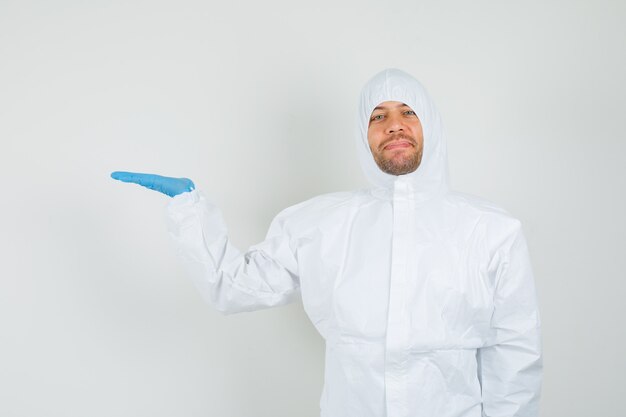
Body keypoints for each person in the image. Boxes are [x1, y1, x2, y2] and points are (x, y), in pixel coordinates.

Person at [111, 68, 543, 417]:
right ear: (363, 134)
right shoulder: (320, 223)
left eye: (408, 112)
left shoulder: (489, 231)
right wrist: (189, 209)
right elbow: (234, 287)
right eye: (378, 116)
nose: (394, 125)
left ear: (431, 125)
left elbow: (515, 357)